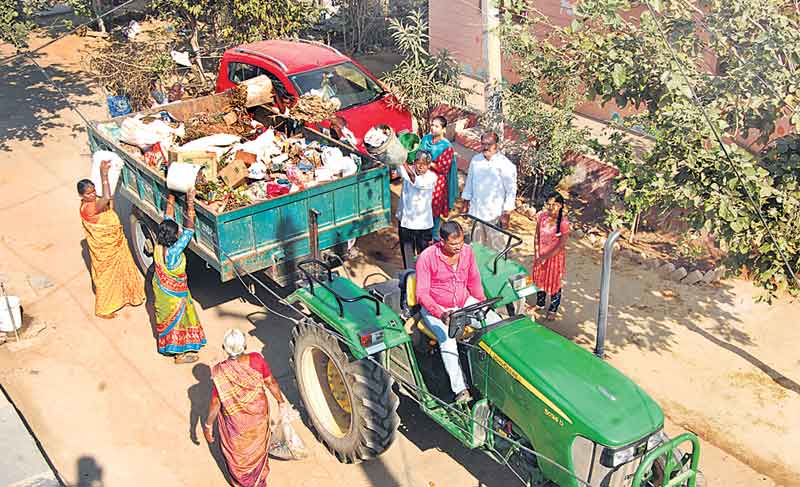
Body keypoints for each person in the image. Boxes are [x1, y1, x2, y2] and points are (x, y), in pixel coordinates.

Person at [415, 221, 500, 404]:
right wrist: (440, 314)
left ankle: (498, 372)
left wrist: (482, 303)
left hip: (463, 302)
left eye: (461, 242)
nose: (459, 247)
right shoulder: (427, 257)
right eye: (454, 244)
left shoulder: (467, 251)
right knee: (448, 340)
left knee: (494, 322)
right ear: (442, 241)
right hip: (438, 309)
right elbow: (422, 294)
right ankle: (460, 389)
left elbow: (474, 280)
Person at [204, 329, 286, 487]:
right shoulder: (257, 359)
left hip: (236, 425)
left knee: (239, 457)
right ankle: (259, 480)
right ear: (245, 345)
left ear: (224, 347)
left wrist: (208, 425)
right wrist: (280, 402)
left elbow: (216, 403)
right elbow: (271, 382)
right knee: (258, 450)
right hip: (259, 417)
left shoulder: (219, 371)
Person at [78, 162, 145, 319]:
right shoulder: (89, 207)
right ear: (82, 196)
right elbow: (107, 196)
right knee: (107, 278)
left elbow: (108, 202)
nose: (93, 195)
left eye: (93, 191)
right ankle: (103, 309)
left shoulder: (93, 203)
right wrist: (104, 175)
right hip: (106, 250)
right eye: (88, 194)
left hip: (116, 243)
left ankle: (126, 296)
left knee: (122, 269)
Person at [152, 190, 206, 364]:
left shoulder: (159, 246)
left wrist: (171, 196)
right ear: (174, 237)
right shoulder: (174, 251)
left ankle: (168, 346)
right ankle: (179, 354)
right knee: (178, 320)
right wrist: (190, 204)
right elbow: (189, 230)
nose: (179, 235)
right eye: (177, 234)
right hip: (174, 295)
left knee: (166, 319)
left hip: (161, 291)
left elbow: (168, 217)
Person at [461, 131, 517, 250]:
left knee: (496, 248)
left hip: (495, 214)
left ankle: (498, 268)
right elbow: (469, 182)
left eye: (489, 144)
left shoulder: (506, 165)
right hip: (476, 212)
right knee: (477, 245)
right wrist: (465, 203)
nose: (485, 147)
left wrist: (507, 213)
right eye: (483, 144)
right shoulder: (476, 160)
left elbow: (511, 191)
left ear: (496, 145)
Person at [531, 193, 570, 320]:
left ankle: (553, 309)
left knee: (554, 283)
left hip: (554, 258)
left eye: (554, 205)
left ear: (560, 206)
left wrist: (545, 257)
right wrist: (537, 253)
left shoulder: (563, 223)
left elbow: (561, 246)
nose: (550, 207)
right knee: (539, 280)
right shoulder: (542, 217)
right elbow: (537, 235)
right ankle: (540, 304)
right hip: (540, 255)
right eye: (548, 204)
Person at [418, 116, 458, 240]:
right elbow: (418, 155)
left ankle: (434, 234)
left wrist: (427, 162)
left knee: (434, 207)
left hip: (437, 181)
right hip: (421, 176)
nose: (433, 128)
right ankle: (421, 230)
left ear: (443, 129)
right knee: (421, 203)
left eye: (437, 126)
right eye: (432, 125)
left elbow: (443, 168)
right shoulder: (425, 139)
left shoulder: (446, 147)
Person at [397, 151, 438, 269]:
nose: (420, 166)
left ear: (429, 165)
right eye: (418, 163)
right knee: (407, 254)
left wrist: (402, 161)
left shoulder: (431, 177)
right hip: (405, 222)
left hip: (423, 224)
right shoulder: (407, 170)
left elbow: (413, 179)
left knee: (424, 256)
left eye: (424, 164)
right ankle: (409, 278)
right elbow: (396, 165)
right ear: (414, 163)